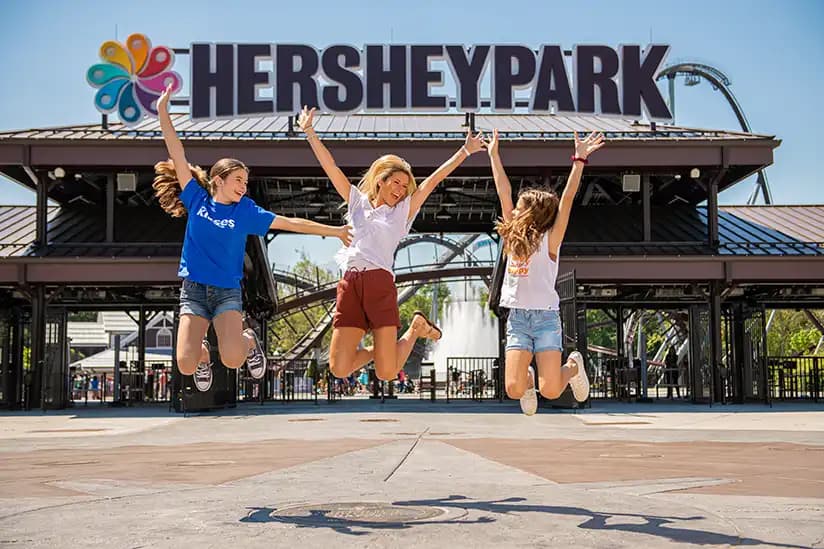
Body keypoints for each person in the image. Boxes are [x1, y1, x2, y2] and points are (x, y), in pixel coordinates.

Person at [152, 86, 352, 392]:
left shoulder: (246, 211)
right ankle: (203, 356)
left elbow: (291, 223)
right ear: (218, 180)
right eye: (238, 181)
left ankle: (248, 339)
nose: (243, 187)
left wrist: (335, 231)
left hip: (226, 292)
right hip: (193, 290)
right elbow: (176, 151)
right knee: (185, 363)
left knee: (233, 359)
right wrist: (163, 110)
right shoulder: (195, 198)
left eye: (246, 182)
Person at [296, 106, 485, 383]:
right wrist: (309, 131)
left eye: (404, 186)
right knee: (338, 367)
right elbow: (331, 168)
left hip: (379, 283)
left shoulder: (402, 213)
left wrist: (465, 151)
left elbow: (432, 181)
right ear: (381, 181)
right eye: (395, 183)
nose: (399, 190)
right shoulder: (358, 202)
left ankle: (415, 328)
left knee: (386, 373)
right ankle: (381, 350)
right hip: (349, 283)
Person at [487, 128, 605, 415]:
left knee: (552, 390)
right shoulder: (512, 236)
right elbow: (503, 189)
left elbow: (566, 199)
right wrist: (493, 154)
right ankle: (527, 383)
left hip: (546, 320)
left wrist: (580, 159)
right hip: (517, 319)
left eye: (520, 206)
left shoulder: (551, 239)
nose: (514, 208)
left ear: (533, 212)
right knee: (513, 389)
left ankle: (573, 366)